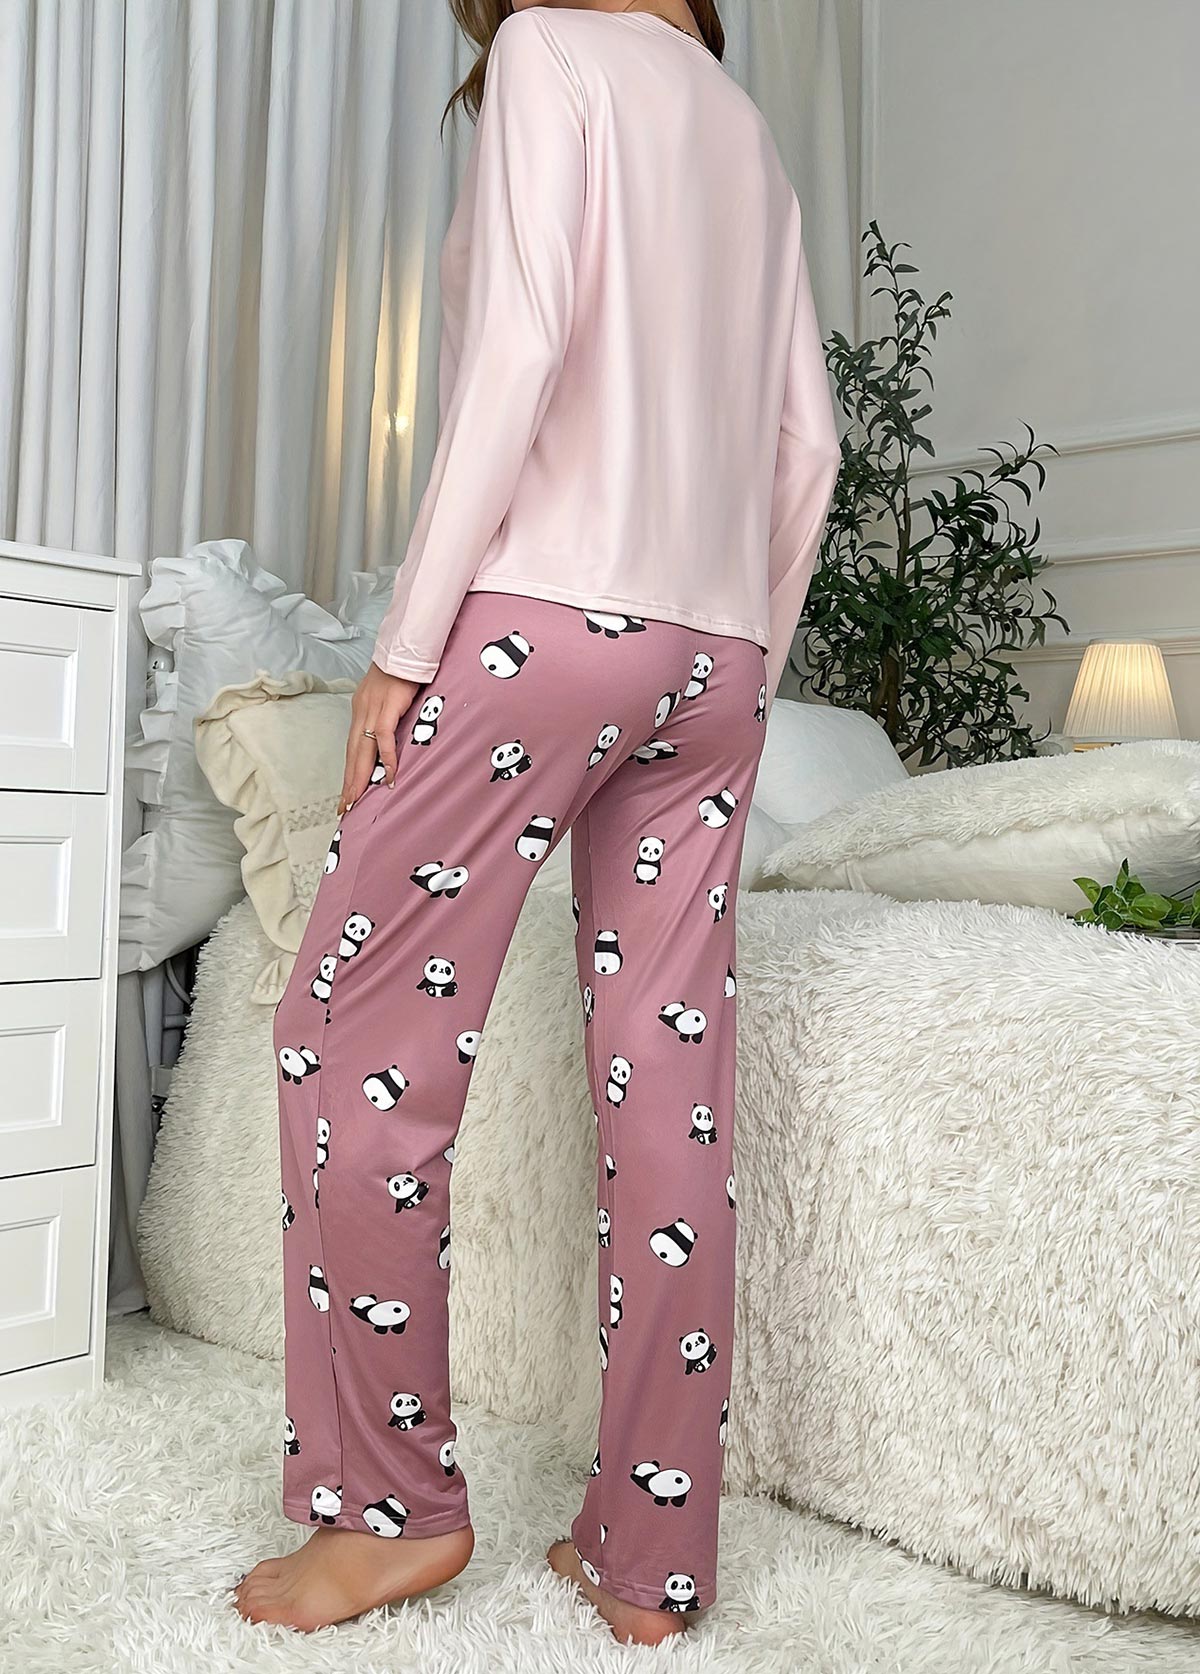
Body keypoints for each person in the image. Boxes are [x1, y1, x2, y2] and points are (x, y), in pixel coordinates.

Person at [233, 0, 839, 1647]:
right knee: (669, 1092)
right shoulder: (743, 131)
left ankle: (388, 1511)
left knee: (349, 1034)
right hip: (715, 658)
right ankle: (650, 1559)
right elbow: (813, 444)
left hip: (543, 628)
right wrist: (741, 653)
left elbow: (517, 349)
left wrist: (406, 643)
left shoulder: (551, 57)